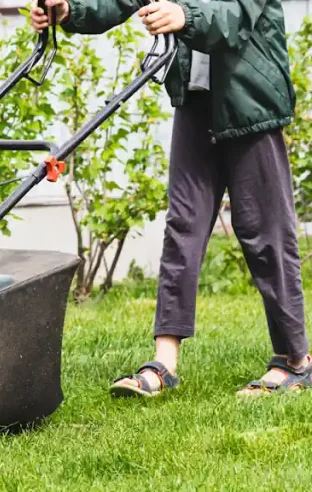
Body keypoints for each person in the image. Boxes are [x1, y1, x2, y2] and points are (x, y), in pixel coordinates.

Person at [31, 0, 312, 397]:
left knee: (265, 233)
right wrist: (68, 12)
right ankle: (164, 363)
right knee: (183, 227)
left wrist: (185, 16)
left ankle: (295, 360)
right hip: (195, 104)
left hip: (251, 105)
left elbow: (234, 14)